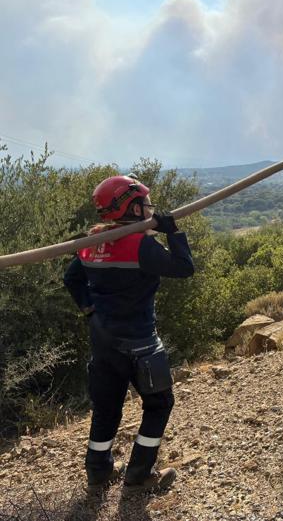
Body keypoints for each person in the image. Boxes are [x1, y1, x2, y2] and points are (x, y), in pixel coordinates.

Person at [63, 175, 194, 495]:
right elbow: (184, 268)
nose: (150, 207)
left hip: (103, 339)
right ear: (133, 208)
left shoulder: (90, 242)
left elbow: (71, 278)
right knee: (159, 404)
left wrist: (89, 310)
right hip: (139, 341)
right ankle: (139, 471)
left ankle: (98, 471)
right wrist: (172, 231)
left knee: (107, 407)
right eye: (146, 203)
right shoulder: (141, 245)